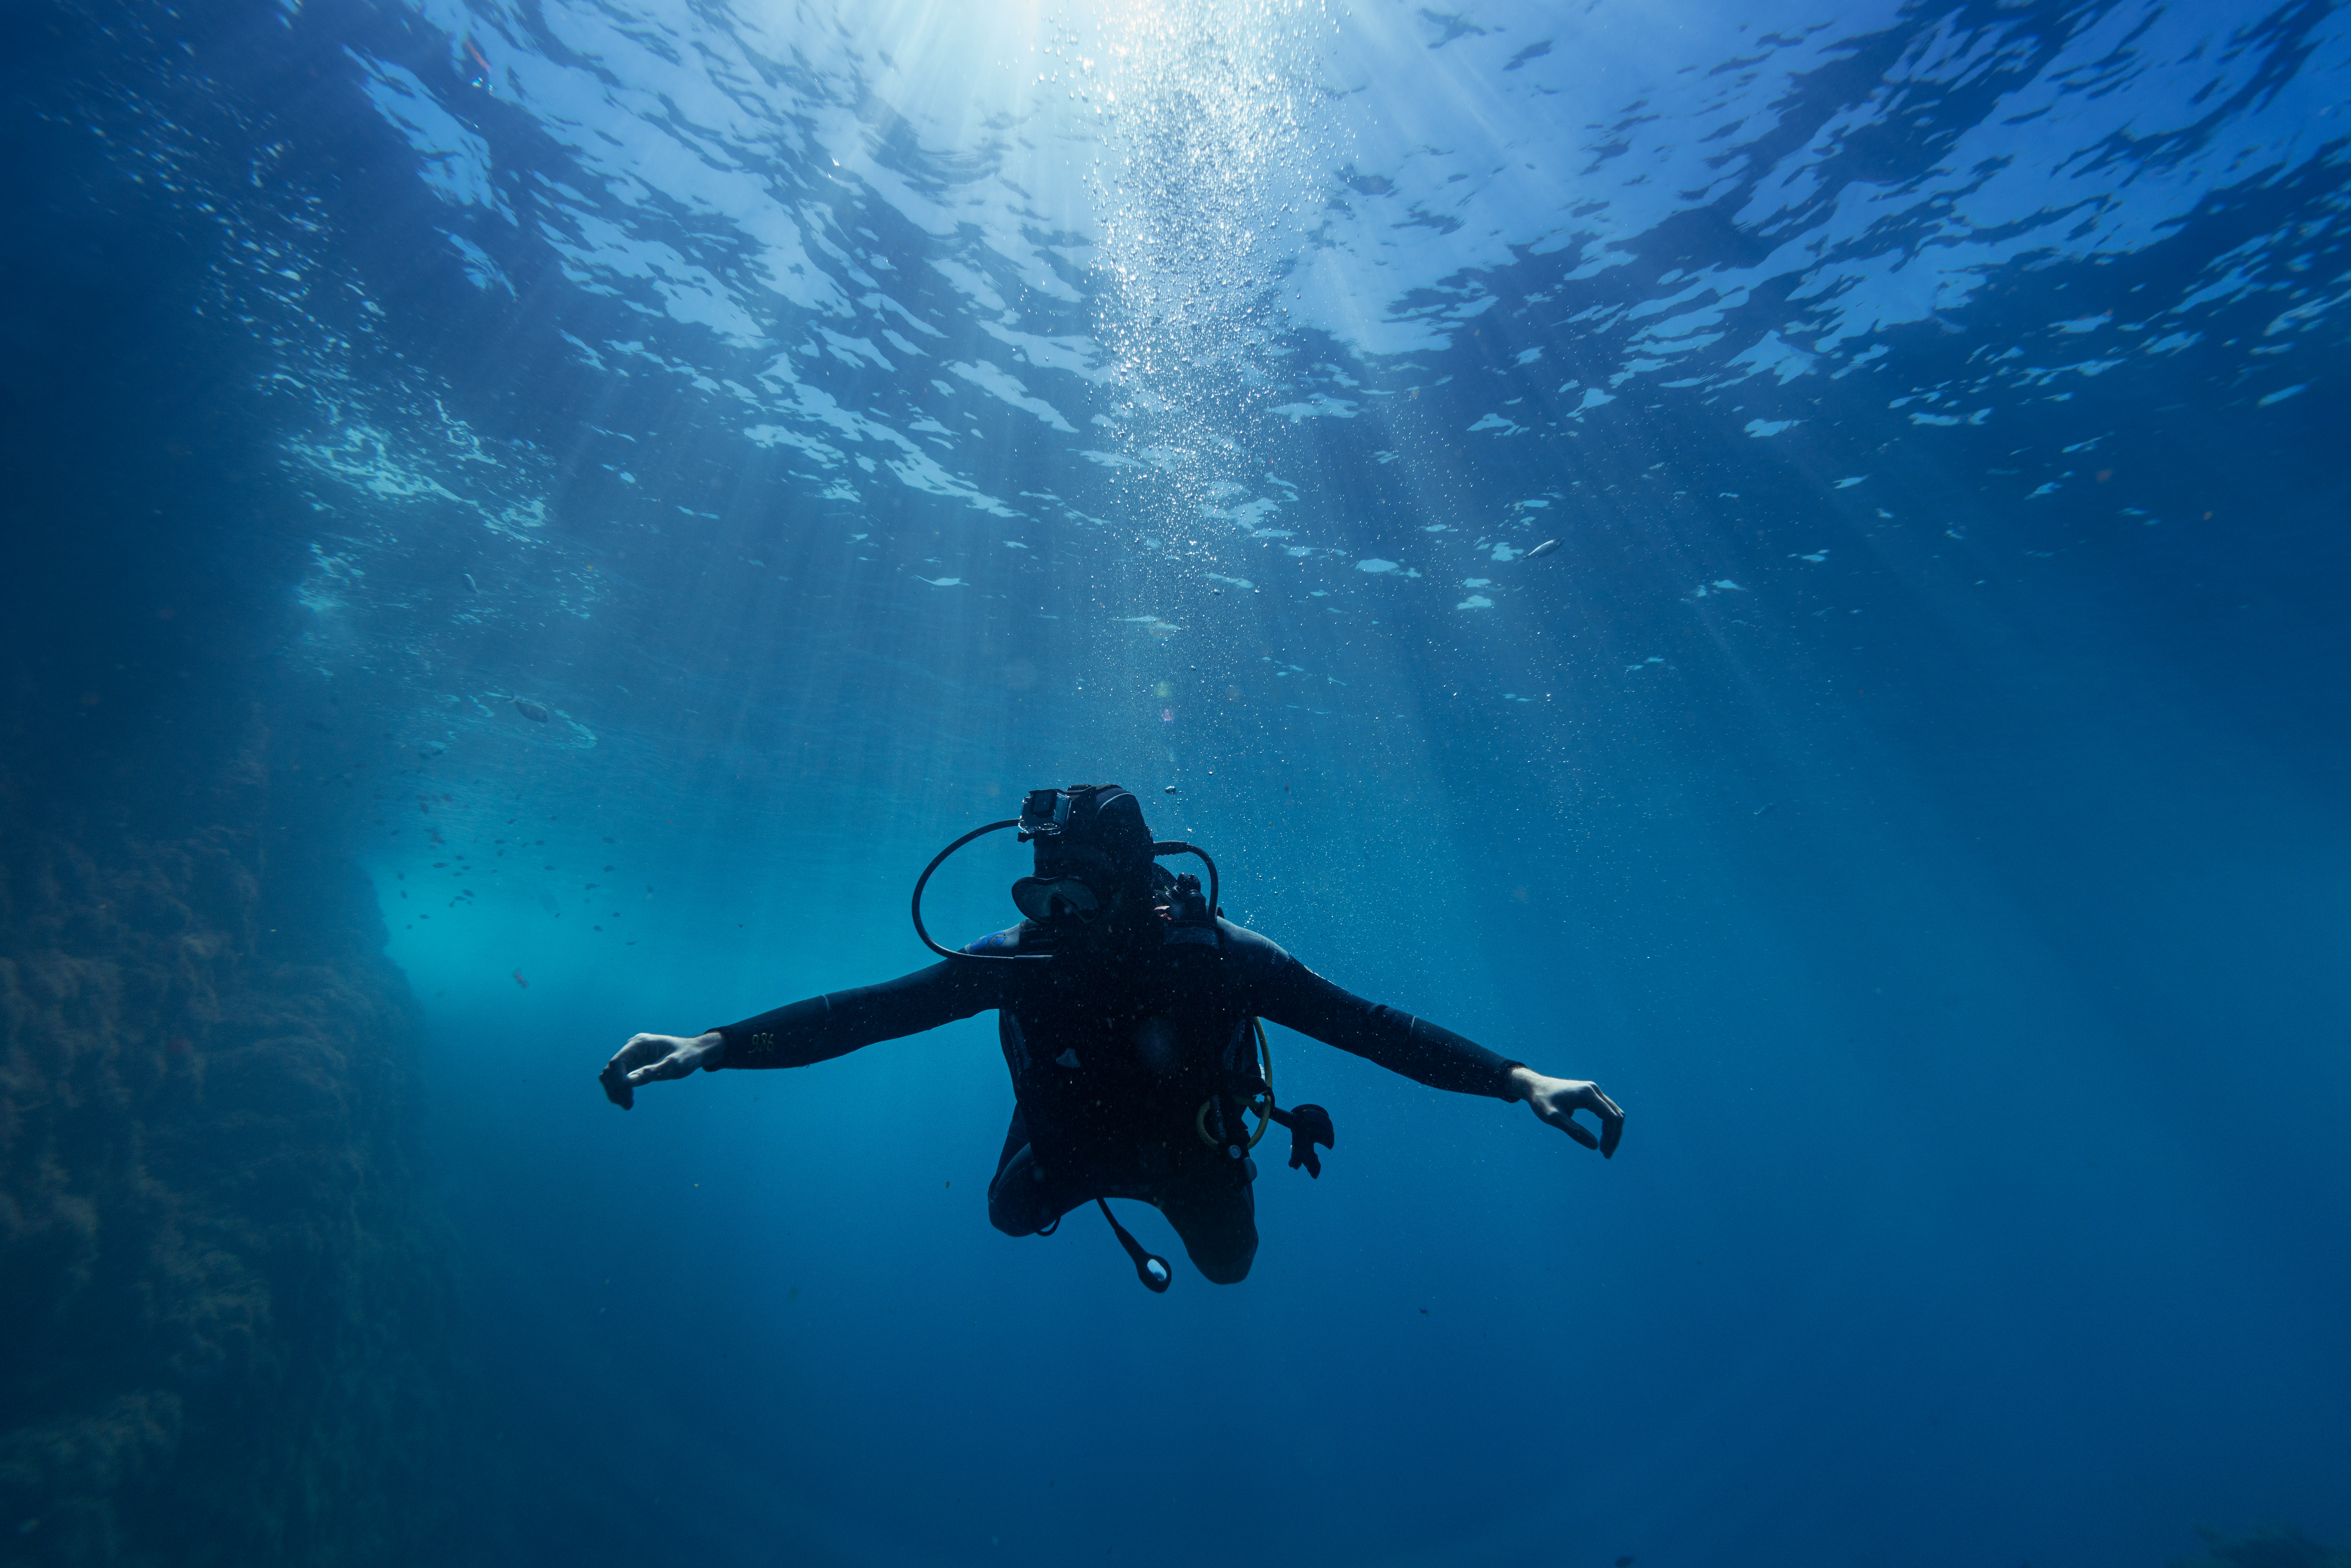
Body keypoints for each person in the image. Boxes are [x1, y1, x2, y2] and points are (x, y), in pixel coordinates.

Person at [600, 784, 1623, 1286]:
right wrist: (715, 1045)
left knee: (1230, 1272)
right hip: (1076, 1139)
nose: (1053, 920)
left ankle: (1139, 1159)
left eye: (1075, 895)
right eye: (1038, 894)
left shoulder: (1221, 957)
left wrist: (1518, 1078)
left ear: (1135, 889)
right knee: (1006, 1216)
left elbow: (1370, 1029)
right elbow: (877, 1011)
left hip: (1192, 1148)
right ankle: (1052, 1132)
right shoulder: (1021, 956)